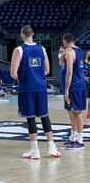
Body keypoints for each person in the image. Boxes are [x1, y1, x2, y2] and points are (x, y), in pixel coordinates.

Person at [10, 25, 61, 159]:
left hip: (27, 88)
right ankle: (52, 147)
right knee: (45, 116)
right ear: (33, 34)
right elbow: (47, 70)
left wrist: (27, 76)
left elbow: (13, 73)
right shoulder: (42, 48)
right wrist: (36, 76)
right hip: (41, 87)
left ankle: (35, 151)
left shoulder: (19, 50)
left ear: (22, 35)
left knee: (31, 118)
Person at [61, 33, 86, 150]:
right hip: (78, 84)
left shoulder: (70, 53)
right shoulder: (78, 50)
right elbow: (61, 63)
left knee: (76, 112)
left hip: (74, 86)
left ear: (65, 41)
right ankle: (73, 137)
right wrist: (62, 54)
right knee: (72, 112)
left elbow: (69, 71)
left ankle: (80, 141)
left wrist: (66, 89)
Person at [84, 51, 90, 118]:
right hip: (85, 84)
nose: (88, 56)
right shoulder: (83, 63)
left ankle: (88, 112)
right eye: (87, 54)